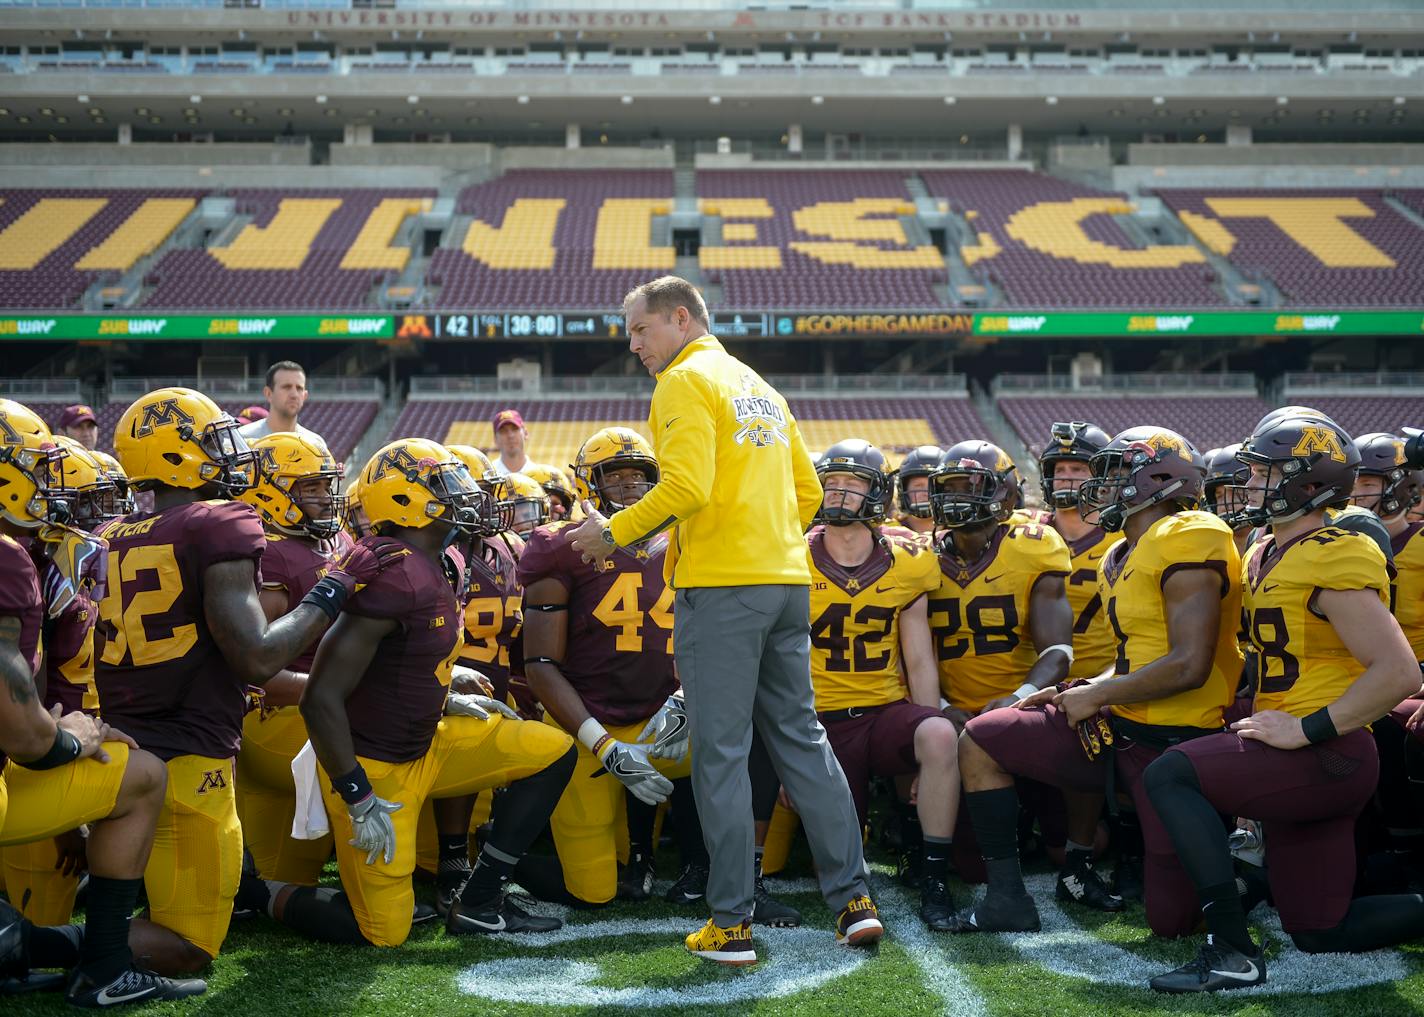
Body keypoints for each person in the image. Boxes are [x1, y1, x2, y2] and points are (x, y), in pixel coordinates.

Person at [566, 275, 881, 967]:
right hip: (785, 581)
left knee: (721, 754)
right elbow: (807, 492)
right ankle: (854, 900)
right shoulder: (759, 385)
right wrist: (763, 541)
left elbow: (684, 487)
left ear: (680, 318)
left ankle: (731, 923)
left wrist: (612, 533)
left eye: (641, 330)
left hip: (723, 590)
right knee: (802, 737)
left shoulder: (684, 381)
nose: (634, 347)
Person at [95, 387, 399, 975]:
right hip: (191, 757)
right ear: (176, 456)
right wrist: (334, 588)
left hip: (129, 748)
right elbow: (258, 659)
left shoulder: (116, 533)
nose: (233, 452)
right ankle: (27, 940)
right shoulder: (219, 521)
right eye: (213, 441)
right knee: (192, 949)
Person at [1144, 415, 1424, 993]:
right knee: (1321, 929)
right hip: (1306, 753)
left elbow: (1398, 670)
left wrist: (1306, 730)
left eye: (1266, 471)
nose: (1249, 482)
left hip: (1328, 750)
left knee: (1170, 775)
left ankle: (1230, 950)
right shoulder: (1268, 549)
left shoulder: (1334, 551)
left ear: (1307, 483)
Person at [274, 439, 577, 946]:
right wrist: (357, 795)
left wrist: (446, 686)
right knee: (384, 933)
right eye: (444, 484)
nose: (461, 493)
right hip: (375, 767)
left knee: (553, 752)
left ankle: (480, 899)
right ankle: (259, 892)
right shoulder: (394, 570)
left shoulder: (439, 560)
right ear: (403, 501)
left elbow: (406, 655)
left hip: (428, 741)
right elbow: (320, 696)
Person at [955, 427, 1244, 937]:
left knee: (1173, 921)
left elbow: (1189, 664)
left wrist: (1098, 694)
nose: (1097, 485)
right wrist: (1082, 687)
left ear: (1156, 480)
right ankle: (1006, 898)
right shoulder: (1122, 552)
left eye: (1113, 474)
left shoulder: (1189, 533)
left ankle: (1252, 875)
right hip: (1124, 724)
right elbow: (1136, 657)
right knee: (982, 738)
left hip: (1177, 742)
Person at [0, 397, 206, 1006]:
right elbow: (24, 733)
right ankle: (103, 965)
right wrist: (75, 738)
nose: (50, 486)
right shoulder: (10, 557)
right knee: (140, 776)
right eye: (35, 467)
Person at [517, 427, 708, 909]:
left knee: (747, 732)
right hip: (587, 726)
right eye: (614, 477)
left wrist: (689, 696)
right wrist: (602, 745)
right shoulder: (559, 546)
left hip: (665, 717)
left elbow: (714, 635)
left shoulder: (687, 537)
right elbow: (539, 665)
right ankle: (503, 854)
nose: (629, 488)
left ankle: (715, 863)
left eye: (638, 477)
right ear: (588, 484)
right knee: (593, 892)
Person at [795, 439, 960, 932]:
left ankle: (934, 878)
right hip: (818, 722)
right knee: (832, 854)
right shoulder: (791, 556)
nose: (839, 494)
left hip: (883, 712)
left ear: (877, 494)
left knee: (939, 734)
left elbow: (919, 659)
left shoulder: (908, 560)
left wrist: (924, 733)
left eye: (852, 484)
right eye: (831, 484)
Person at [924, 440, 1077, 896]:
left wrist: (1015, 699)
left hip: (1023, 709)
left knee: (1060, 848)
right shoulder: (919, 557)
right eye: (946, 487)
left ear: (1003, 494)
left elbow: (1059, 652)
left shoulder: (1034, 547)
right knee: (970, 866)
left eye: (967, 486)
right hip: (952, 714)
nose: (954, 498)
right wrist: (940, 705)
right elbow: (907, 653)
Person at [2, 436, 117, 929]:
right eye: (39, 477)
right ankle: (101, 960)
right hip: (33, 748)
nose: (58, 500)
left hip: (34, 738)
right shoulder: (23, 561)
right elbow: (34, 705)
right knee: (144, 777)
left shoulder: (42, 557)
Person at [232, 432, 348, 888]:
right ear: (271, 491)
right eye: (310, 489)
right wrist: (339, 691)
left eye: (326, 487)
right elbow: (253, 666)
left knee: (283, 879)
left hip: (308, 712)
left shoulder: (327, 544)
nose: (324, 499)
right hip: (277, 717)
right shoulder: (274, 554)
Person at [237, 362, 324, 449]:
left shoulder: (315, 444)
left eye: (299, 388)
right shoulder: (242, 440)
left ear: (305, 396)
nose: (294, 394)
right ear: (268, 393)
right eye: (287, 387)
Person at [892, 445, 943, 535]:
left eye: (933, 486)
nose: (926, 493)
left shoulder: (961, 532)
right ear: (903, 489)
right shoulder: (890, 531)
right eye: (918, 486)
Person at [490, 409, 531, 477]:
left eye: (515, 429)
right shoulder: (487, 477)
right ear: (495, 440)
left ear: (525, 433)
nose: (510, 435)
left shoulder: (540, 475)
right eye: (503, 431)